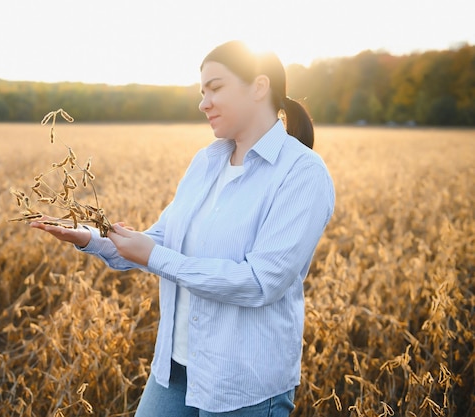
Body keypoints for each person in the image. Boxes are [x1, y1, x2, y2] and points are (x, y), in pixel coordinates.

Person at [30, 40, 335, 417]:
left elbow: (261, 282)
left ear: (259, 87)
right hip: (175, 369)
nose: (203, 103)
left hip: (243, 384)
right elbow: (162, 242)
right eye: (201, 91)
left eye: (216, 88)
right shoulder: (206, 162)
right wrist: (91, 238)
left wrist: (155, 256)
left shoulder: (302, 173)